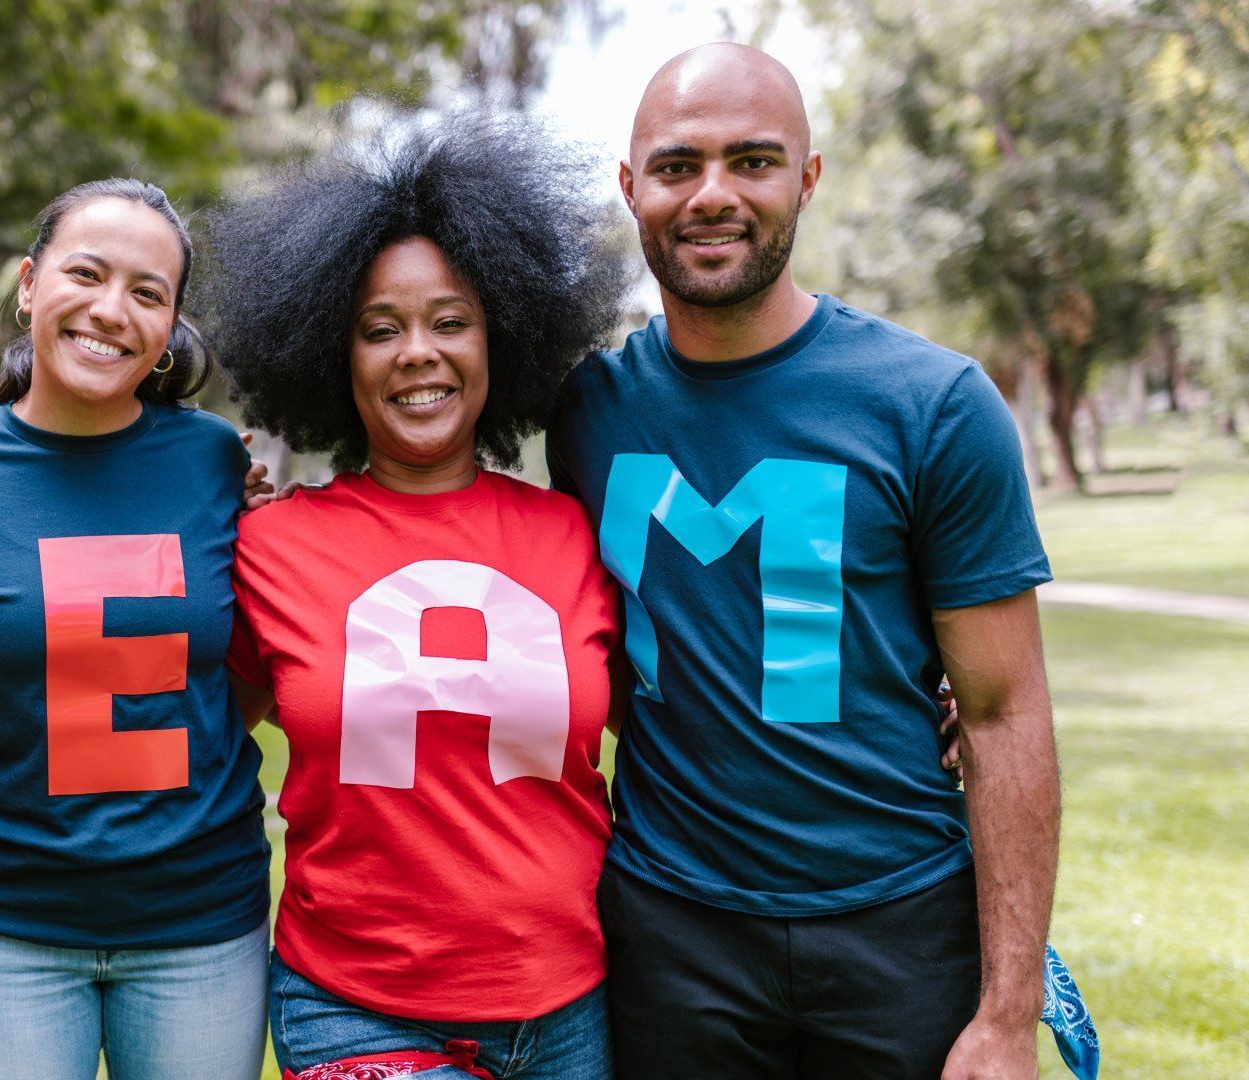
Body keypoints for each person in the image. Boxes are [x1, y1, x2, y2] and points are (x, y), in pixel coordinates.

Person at [544, 44, 1062, 1079]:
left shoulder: (935, 406)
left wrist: (1007, 1015)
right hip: (670, 929)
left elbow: (1006, 714)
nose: (714, 194)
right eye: (679, 164)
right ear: (631, 187)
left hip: (900, 924)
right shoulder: (586, 410)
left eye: (754, 160)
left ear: (809, 179)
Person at [206, 118, 630, 1079]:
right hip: (357, 1007)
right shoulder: (267, 546)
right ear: (331, 353)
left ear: (501, 338)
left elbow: (686, 713)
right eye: (379, 329)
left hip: (573, 1005)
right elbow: (178, 714)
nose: (417, 354)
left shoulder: (577, 535)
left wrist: (913, 707)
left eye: (450, 321)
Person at [0, 178, 271, 1080]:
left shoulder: (213, 460)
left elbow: (240, 670)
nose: (111, 311)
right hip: (3, 924)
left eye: (147, 293)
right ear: (27, 283)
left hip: (200, 921)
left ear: (171, 325)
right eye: (86, 274)